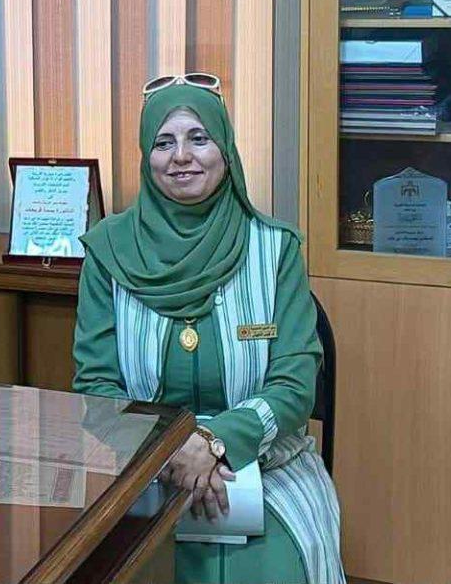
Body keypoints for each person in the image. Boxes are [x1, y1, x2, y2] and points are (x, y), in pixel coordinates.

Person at [73, 75, 343, 584]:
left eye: (199, 138)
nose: (181, 157)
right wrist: (172, 451)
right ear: (146, 156)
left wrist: (214, 442)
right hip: (144, 469)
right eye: (163, 142)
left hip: (266, 466)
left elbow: (293, 385)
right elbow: (96, 387)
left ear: (224, 148)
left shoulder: (276, 249)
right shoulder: (107, 253)